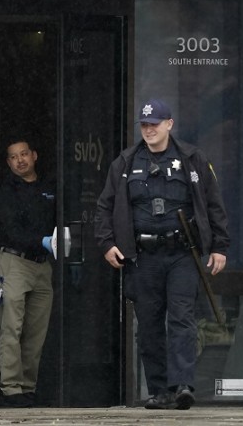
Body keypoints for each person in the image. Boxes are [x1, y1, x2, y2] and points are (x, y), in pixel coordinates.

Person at [95, 99, 229, 411]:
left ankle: (183, 385)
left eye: (155, 123)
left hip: (182, 252)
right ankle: (160, 390)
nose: (149, 129)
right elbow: (105, 206)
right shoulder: (126, 163)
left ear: (169, 124)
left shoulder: (192, 159)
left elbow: (213, 204)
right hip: (143, 255)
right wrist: (106, 243)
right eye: (145, 125)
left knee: (181, 317)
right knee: (149, 325)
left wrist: (220, 246)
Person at [0, 138, 56, 408]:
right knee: (11, 326)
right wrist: (40, 240)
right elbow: (11, 230)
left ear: (35, 155)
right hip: (13, 261)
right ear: (8, 162)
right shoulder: (5, 191)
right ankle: (11, 388)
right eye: (13, 156)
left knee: (36, 330)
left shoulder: (48, 188)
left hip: (42, 265)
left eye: (24, 154)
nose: (20, 160)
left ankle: (29, 387)